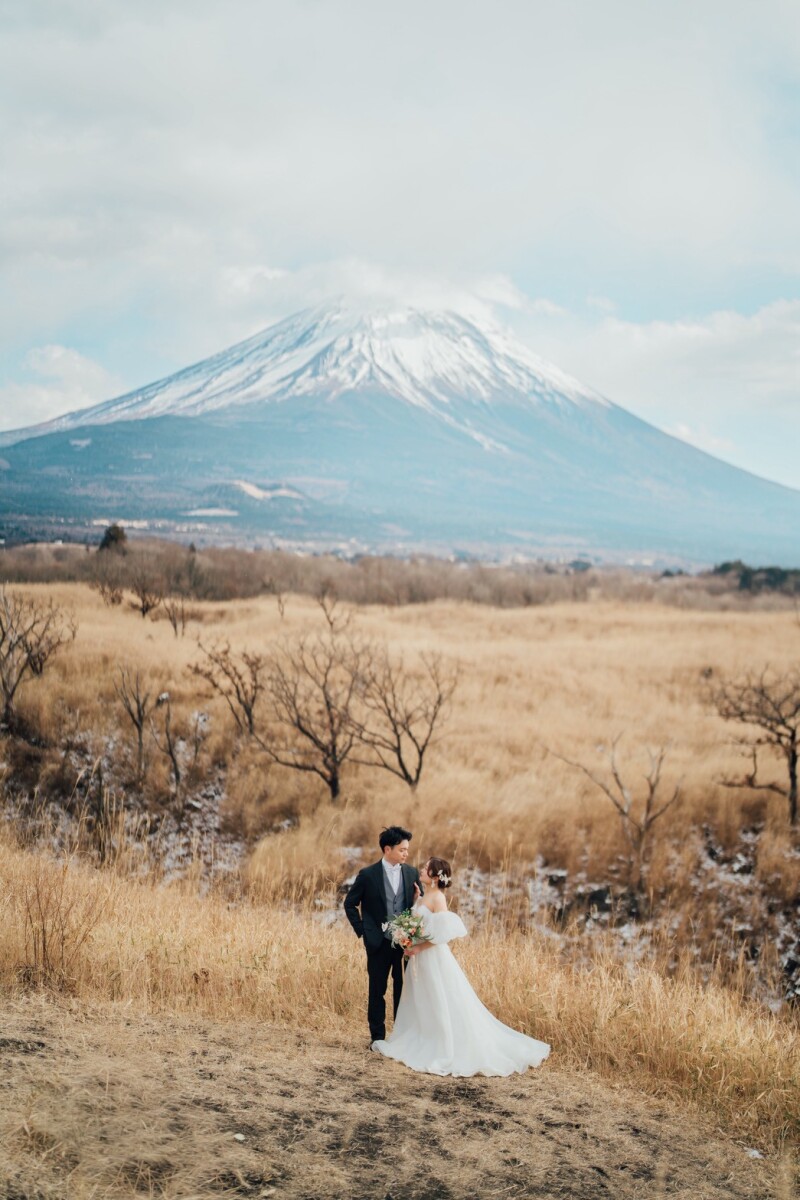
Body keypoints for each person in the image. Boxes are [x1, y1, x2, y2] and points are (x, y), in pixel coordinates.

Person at [371, 856, 551, 1077]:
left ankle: (442, 1045)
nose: (422, 869)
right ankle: (423, 1037)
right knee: (422, 999)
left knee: (439, 998)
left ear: (436, 877)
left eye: (426, 868)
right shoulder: (425, 894)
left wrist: (418, 948)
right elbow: (418, 922)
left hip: (432, 957)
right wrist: (412, 917)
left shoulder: (438, 899)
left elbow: (442, 935)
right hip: (418, 958)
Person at [343, 826, 423, 1045]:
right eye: (402, 849)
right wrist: (363, 931)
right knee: (377, 990)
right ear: (388, 849)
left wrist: (416, 900)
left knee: (402, 989)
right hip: (377, 942)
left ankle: (400, 1036)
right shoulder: (367, 875)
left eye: (407, 849)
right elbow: (350, 904)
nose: (406, 853)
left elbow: (419, 905)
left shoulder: (411, 872)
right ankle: (377, 1038)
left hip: (403, 942)